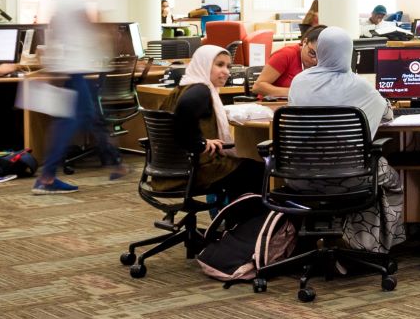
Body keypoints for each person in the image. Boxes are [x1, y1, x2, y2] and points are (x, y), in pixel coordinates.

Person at [288, 26, 402, 252]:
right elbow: (386, 114)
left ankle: (325, 239)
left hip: (300, 176)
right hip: (351, 178)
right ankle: (365, 244)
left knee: (358, 170)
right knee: (389, 178)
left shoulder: (299, 81)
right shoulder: (359, 85)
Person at [33, 0, 123, 194]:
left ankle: (115, 163)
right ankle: (47, 177)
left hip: (70, 66)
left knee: (87, 114)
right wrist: (105, 43)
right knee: (71, 119)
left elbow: (54, 25)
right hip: (75, 67)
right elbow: (100, 25)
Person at [168, 44, 265, 204]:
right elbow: (184, 113)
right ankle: (241, 224)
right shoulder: (200, 90)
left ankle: (234, 220)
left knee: (246, 167)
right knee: (258, 171)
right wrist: (200, 142)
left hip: (175, 167)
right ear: (204, 64)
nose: (226, 71)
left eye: (228, 66)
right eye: (219, 65)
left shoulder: (184, 86)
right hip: (199, 168)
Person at [251, 24, 321, 100]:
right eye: (312, 53)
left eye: (320, 56)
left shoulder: (325, 62)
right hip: (273, 105)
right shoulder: (286, 54)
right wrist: (296, 93)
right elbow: (258, 87)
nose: (315, 60)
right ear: (305, 42)